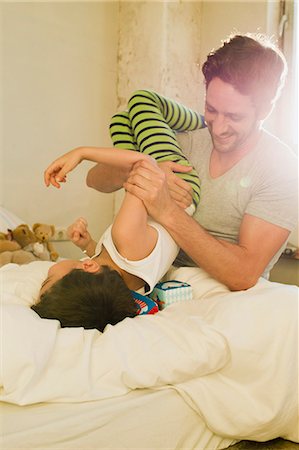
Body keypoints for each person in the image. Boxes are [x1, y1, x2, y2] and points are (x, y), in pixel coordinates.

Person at [87, 33, 298, 291]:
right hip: (161, 286)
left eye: (234, 116)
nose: (218, 128)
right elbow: (95, 180)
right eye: (211, 109)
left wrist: (167, 210)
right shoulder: (188, 140)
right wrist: (141, 171)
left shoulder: (282, 168)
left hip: (224, 298)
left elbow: (243, 274)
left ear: (265, 110)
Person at [32, 95, 204, 331]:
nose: (45, 277)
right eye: (48, 280)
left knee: (121, 121)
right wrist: (82, 153)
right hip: (176, 182)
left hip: (160, 185)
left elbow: (108, 260)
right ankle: (206, 122)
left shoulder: (128, 286)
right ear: (88, 268)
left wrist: (88, 245)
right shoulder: (126, 239)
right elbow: (145, 165)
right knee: (142, 101)